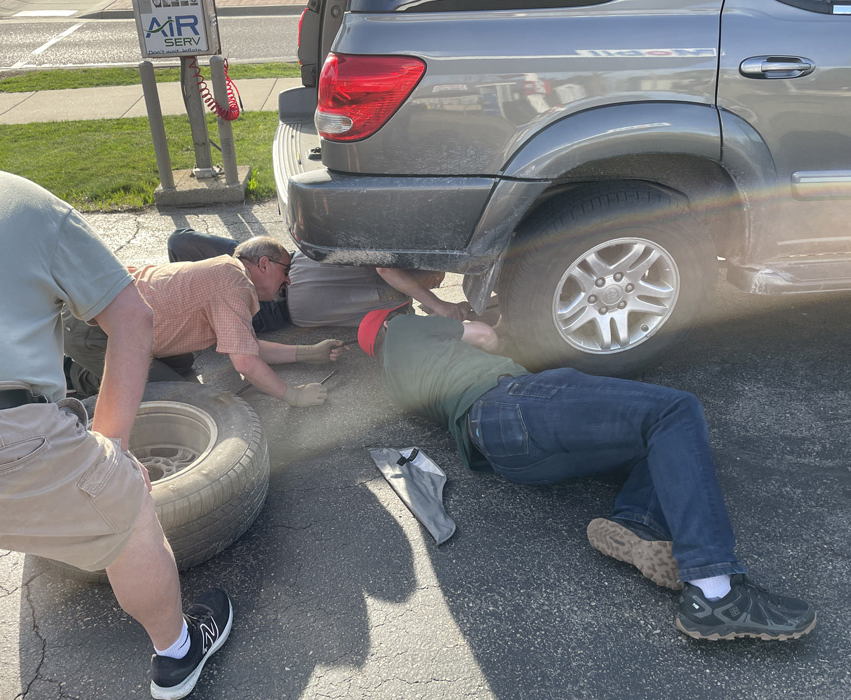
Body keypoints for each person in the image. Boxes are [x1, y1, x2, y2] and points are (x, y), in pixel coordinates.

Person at [0, 132, 231, 700]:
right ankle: (177, 654)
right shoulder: (6, 193)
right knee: (128, 515)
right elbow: (131, 317)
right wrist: (113, 447)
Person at [357, 305, 817, 641]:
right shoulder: (407, 326)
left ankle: (634, 522)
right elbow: (482, 335)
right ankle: (715, 594)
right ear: (391, 321)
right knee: (675, 412)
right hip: (511, 402)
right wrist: (487, 324)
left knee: (660, 444)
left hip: (504, 454)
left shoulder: (394, 380)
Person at [64, 235, 343, 405]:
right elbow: (245, 363)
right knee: (187, 401)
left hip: (121, 324)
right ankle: (69, 373)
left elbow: (247, 348)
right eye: (286, 270)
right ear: (264, 264)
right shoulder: (233, 282)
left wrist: (308, 352)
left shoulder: (228, 275)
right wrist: (293, 396)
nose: (289, 280)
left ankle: (97, 370)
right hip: (96, 329)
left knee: (184, 364)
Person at [167, 228, 473, 329]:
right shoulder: (390, 258)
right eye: (435, 277)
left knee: (197, 320)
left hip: (278, 310)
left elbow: (413, 334)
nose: (436, 283)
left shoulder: (401, 307)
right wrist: (441, 305)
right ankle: (180, 284)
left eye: (435, 283)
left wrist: (439, 314)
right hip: (275, 265)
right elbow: (387, 269)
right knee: (180, 242)